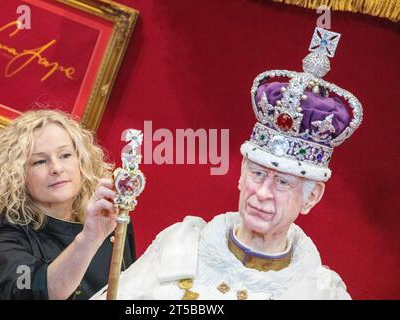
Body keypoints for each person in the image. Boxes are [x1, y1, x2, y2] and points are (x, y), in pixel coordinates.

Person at [91, 27, 362, 300]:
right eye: (257, 174)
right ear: (242, 176)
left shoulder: (320, 294)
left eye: (282, 182)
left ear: (311, 197)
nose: (262, 193)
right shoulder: (179, 245)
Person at [0, 109, 136, 299]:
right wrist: (89, 238)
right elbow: (35, 291)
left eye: (65, 155)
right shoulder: (1, 236)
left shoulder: (110, 218)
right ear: (17, 176)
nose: (57, 168)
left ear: (82, 161)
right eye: (40, 161)